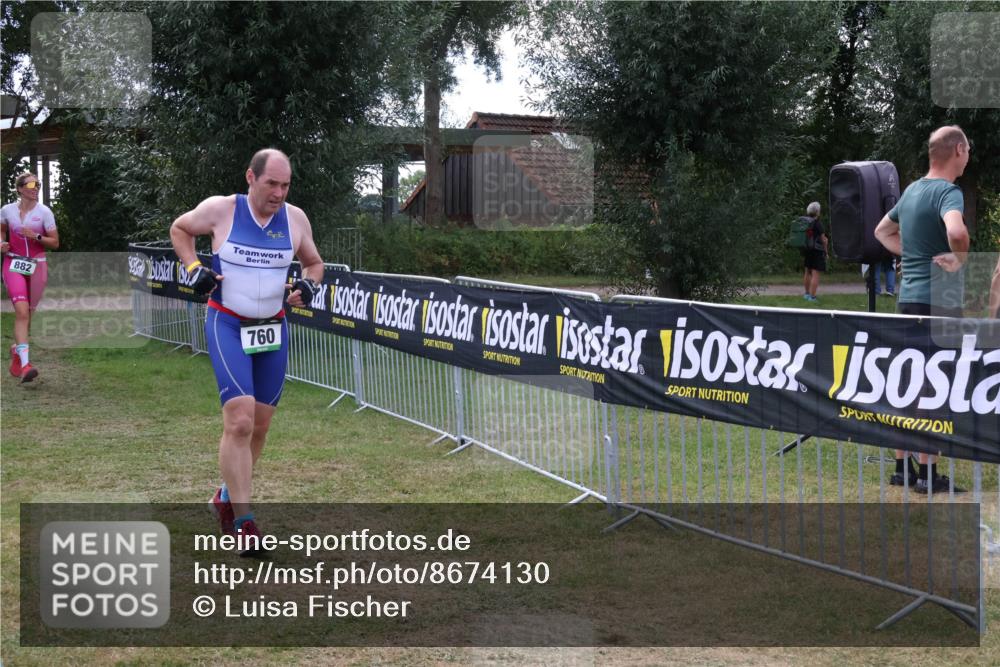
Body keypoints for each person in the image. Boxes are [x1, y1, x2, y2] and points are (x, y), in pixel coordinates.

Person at [170, 148, 323, 555]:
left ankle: (225, 495)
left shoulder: (295, 219)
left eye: (285, 185)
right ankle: (244, 522)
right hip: (228, 323)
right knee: (238, 421)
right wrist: (193, 268)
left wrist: (308, 285)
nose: (278, 193)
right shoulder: (221, 210)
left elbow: (314, 263)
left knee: (260, 426)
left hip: (272, 328)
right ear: (251, 178)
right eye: (272, 183)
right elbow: (180, 230)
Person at [874, 125, 971, 494]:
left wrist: (912, 255)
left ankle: (902, 468)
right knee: (935, 386)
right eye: (968, 151)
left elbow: (881, 231)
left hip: (909, 298)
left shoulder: (912, 190)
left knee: (908, 384)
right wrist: (960, 259)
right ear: (958, 150)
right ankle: (929, 474)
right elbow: (957, 233)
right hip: (940, 300)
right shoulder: (948, 192)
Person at [1, 172, 59, 383]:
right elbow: (1, 232)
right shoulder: (7, 210)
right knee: (22, 313)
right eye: (32, 184)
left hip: (37, 266)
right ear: (19, 188)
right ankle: (26, 365)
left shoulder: (44, 212)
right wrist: (1, 244)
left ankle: (17, 351)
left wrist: (35, 236)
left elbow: (55, 243)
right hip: (13, 263)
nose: (36, 187)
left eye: (39, 184)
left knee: (28, 316)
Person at [800, 201, 828, 302]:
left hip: (807, 249)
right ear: (817, 212)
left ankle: (807, 294)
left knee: (807, 271)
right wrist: (826, 252)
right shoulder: (817, 223)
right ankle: (812, 297)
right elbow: (823, 239)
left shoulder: (805, 221)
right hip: (817, 250)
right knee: (816, 273)